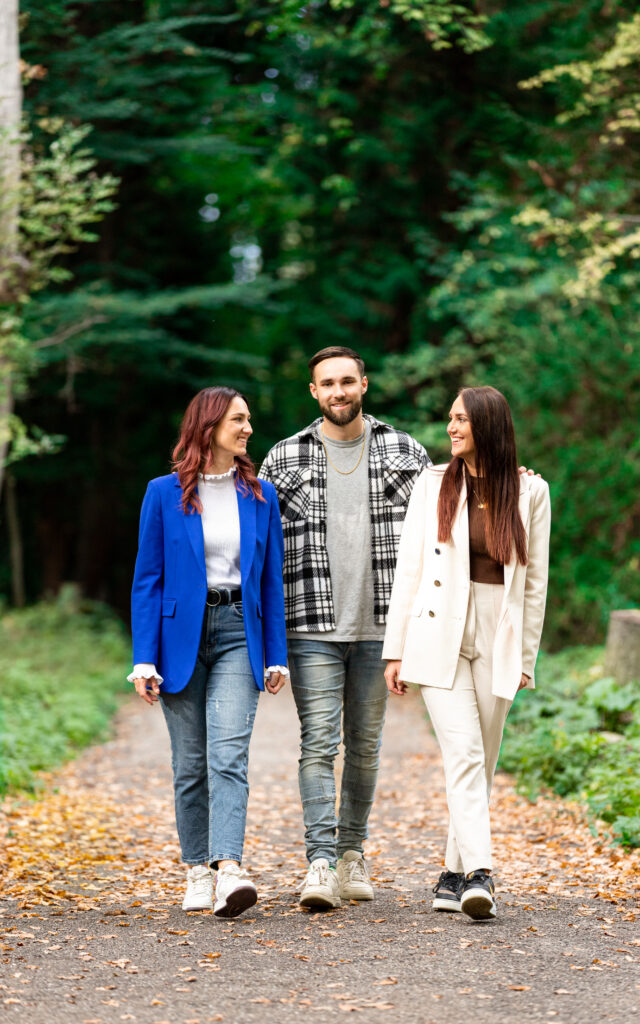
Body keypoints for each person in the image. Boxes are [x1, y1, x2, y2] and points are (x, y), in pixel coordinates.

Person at [260, 347, 431, 908]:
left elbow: (447, 518)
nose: (338, 392)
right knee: (318, 745)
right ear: (314, 391)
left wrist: (513, 475)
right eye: (327, 384)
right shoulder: (283, 458)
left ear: (364, 384)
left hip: (383, 626)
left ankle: (354, 852)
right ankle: (320, 863)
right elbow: (255, 545)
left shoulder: (406, 451)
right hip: (310, 625)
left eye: (347, 382)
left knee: (365, 746)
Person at [383, 386, 550, 921]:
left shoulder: (530, 493)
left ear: (488, 425)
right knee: (464, 754)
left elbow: (535, 584)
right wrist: (395, 651)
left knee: (482, 758)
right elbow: (408, 570)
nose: (451, 427)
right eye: (450, 418)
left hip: (498, 630)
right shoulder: (431, 484)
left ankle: (452, 875)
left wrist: (526, 658)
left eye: (461, 420)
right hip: (438, 633)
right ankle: (482, 874)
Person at [128, 386, 288, 918]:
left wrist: (276, 653)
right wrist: (143, 658)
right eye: (238, 420)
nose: (247, 429)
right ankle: (196, 868)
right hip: (180, 637)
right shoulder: (162, 492)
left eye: (248, 419)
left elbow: (270, 582)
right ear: (209, 425)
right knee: (190, 762)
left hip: (240, 629)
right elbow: (148, 580)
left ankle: (229, 869)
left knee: (228, 755)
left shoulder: (261, 495)